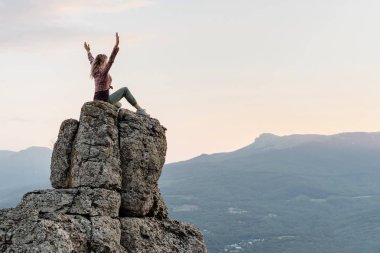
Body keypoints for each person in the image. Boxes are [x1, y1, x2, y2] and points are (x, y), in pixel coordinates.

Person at [84, 32, 150, 117]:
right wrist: (116, 46)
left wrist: (88, 51)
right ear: (103, 62)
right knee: (125, 90)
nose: (106, 62)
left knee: (118, 103)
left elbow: (91, 60)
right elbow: (111, 60)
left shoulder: (95, 69)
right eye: (105, 61)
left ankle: (113, 106)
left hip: (97, 100)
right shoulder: (103, 71)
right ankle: (140, 110)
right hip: (105, 101)